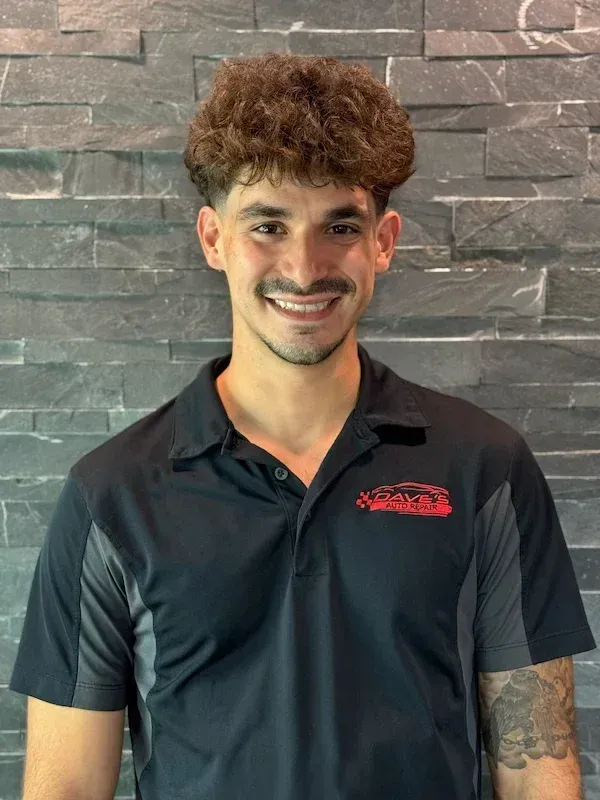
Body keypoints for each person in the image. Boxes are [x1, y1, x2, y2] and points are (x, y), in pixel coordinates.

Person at [9, 53, 596, 800]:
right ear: (213, 238)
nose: (304, 265)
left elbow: (537, 768)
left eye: (339, 226)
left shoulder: (484, 468)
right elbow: (63, 789)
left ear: (382, 241)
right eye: (268, 224)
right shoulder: (112, 494)